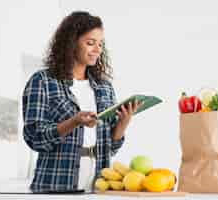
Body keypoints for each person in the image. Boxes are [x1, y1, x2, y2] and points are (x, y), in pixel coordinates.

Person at [22, 11, 140, 192]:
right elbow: (34, 138)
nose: (97, 49)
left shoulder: (104, 87)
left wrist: (124, 122)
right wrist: (74, 122)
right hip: (56, 182)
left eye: (100, 44)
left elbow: (112, 147)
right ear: (71, 43)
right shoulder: (43, 81)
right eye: (90, 43)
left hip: (100, 182)